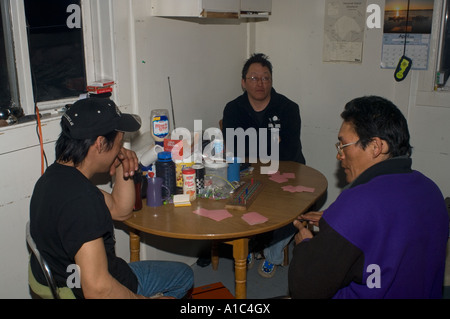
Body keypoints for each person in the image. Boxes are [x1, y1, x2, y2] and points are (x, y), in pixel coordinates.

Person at [30, 98, 194, 299]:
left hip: (69, 279)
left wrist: (120, 164)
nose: (121, 148)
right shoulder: (81, 201)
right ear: (100, 143)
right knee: (184, 275)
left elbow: (120, 210)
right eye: (118, 143)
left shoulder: (55, 178)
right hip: (99, 285)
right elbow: (98, 289)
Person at [288, 96, 449, 298]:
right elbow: (394, 231)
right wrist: (337, 221)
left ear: (376, 146)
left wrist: (304, 245)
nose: (339, 156)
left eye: (343, 146)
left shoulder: (357, 202)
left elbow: (305, 288)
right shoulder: (431, 190)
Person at [222, 53, 305, 278]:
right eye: (254, 78)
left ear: (271, 81)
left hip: (288, 171)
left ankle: (272, 255)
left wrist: (254, 147)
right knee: (231, 199)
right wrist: (269, 144)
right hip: (248, 173)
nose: (260, 83)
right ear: (243, 82)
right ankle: (247, 247)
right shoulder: (233, 109)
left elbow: (287, 152)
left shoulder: (288, 108)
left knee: (292, 211)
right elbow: (235, 149)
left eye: (266, 78)